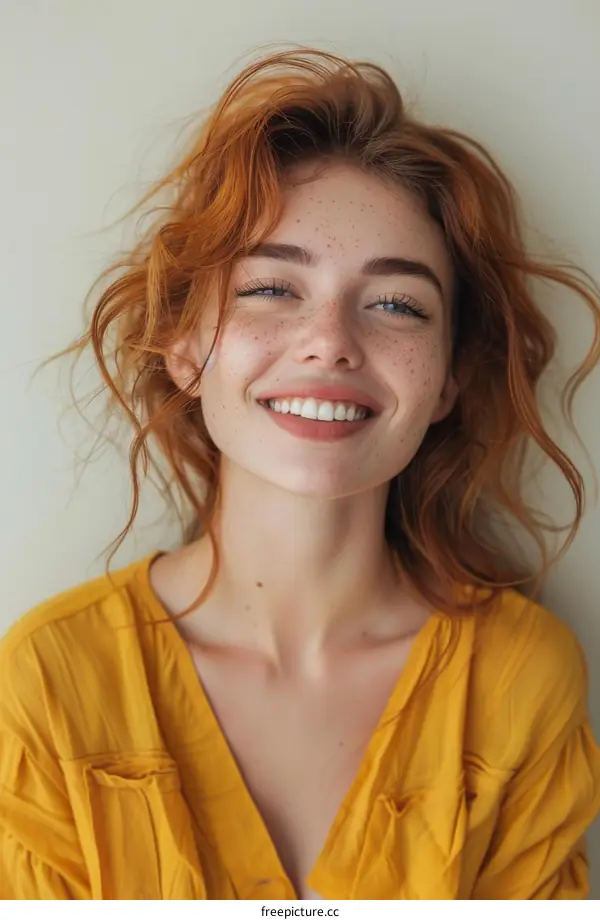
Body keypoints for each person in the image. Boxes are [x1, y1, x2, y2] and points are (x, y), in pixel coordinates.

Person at [1, 47, 600, 901]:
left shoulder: (520, 679)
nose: (330, 340)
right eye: (271, 289)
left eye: (397, 303)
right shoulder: (52, 679)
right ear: (183, 345)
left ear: (448, 379)